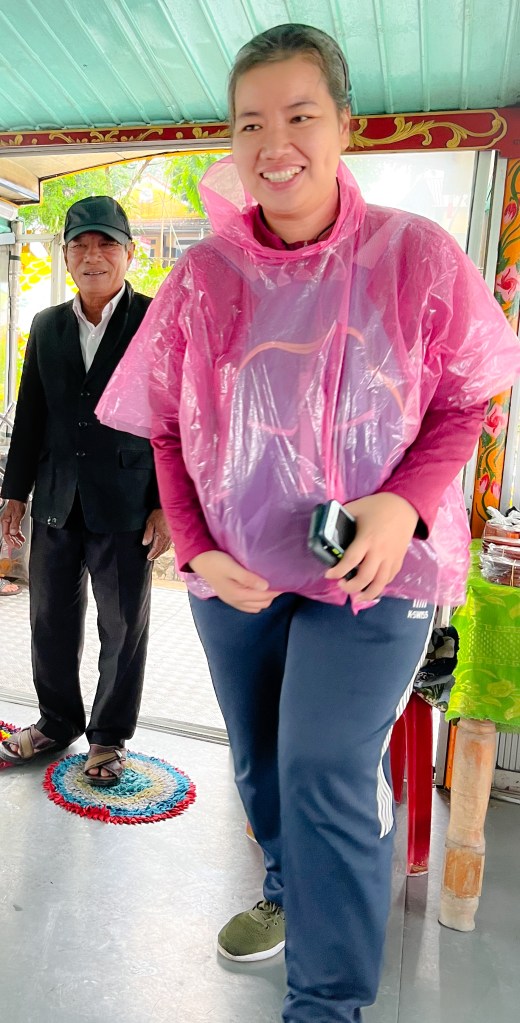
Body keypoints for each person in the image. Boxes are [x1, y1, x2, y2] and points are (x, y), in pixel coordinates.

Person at [96, 24, 520, 1022]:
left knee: (324, 762)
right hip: (237, 578)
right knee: (261, 762)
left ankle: (327, 1002)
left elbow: (467, 397)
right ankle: (291, 886)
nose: (273, 142)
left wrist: (403, 504)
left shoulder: (413, 257)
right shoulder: (203, 278)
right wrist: (197, 547)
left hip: (374, 575)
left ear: (344, 126)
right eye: (250, 122)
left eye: (299, 115)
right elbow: (167, 426)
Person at [0, 196, 170, 786]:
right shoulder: (47, 325)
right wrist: (14, 493)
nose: (92, 256)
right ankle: (56, 721)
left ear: (130, 253)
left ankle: (108, 738)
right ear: (67, 256)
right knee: (48, 620)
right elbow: (32, 414)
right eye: (80, 245)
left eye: (106, 244)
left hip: (128, 502)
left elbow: (175, 418)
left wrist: (167, 503)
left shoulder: (155, 320)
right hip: (55, 498)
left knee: (122, 628)